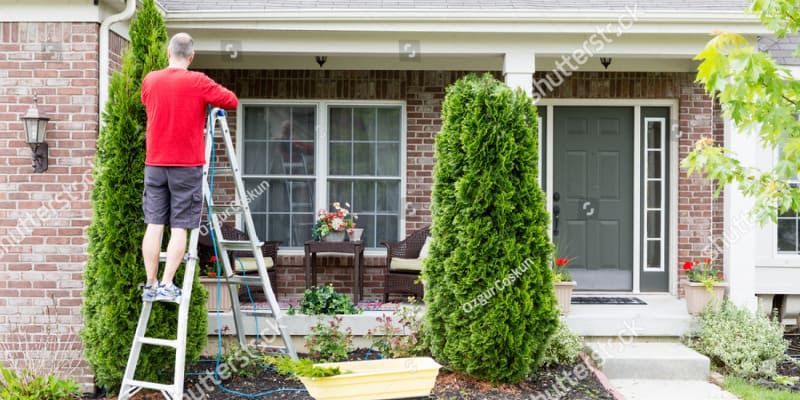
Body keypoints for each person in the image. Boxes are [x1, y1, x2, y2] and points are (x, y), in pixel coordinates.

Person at [140, 32, 238, 302]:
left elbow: (147, 102)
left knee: (154, 224)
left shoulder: (151, 80)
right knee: (180, 226)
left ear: (168, 53)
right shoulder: (198, 81)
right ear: (191, 56)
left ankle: (150, 284)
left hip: (155, 164)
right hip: (186, 166)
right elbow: (231, 100)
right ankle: (167, 284)